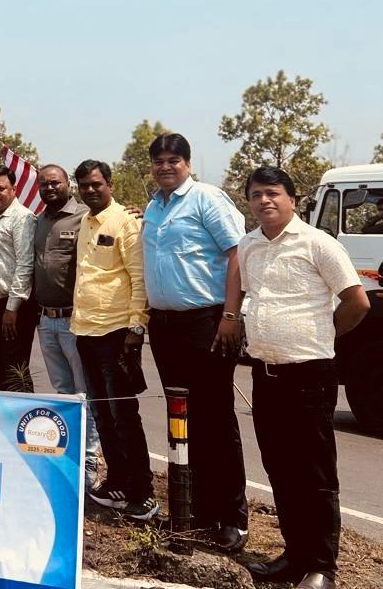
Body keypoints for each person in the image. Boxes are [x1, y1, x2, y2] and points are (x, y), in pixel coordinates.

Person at [240, 167, 368, 589]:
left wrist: (324, 335)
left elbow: (357, 302)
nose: (264, 201)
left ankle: (321, 566)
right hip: (266, 374)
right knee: (280, 469)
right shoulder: (249, 245)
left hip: (310, 375)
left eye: (272, 193)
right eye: (256, 194)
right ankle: (294, 557)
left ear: (292, 199)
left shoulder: (318, 243)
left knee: (314, 473)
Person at [142, 132, 248, 552]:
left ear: (187, 163)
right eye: (159, 161)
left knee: (215, 417)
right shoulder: (154, 206)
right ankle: (197, 510)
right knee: (182, 420)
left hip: (207, 322)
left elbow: (238, 253)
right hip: (165, 326)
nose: (166, 167)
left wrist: (230, 315)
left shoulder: (207, 199)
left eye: (174, 160)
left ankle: (231, 517)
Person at [71, 160, 157, 522]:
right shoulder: (85, 222)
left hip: (117, 332)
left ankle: (143, 493)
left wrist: (136, 328)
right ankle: (118, 483)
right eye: (84, 185)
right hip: (85, 330)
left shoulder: (126, 221)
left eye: (96, 184)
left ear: (110, 184)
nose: (90, 190)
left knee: (124, 415)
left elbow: (139, 277)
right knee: (103, 415)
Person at [33, 163, 100, 489]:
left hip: (76, 320)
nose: (49, 188)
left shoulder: (85, 217)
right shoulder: (37, 221)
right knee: (64, 393)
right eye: (44, 184)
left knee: (84, 394)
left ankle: (89, 464)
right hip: (46, 321)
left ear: (67, 184)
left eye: (55, 182)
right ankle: (71, 459)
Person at [0, 165, 37, 391]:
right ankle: (2, 414)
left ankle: (24, 414)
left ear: (14, 189)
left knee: (15, 374)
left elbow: (25, 264)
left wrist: (12, 309)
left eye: (0, 188)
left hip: (13, 310)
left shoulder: (22, 218)